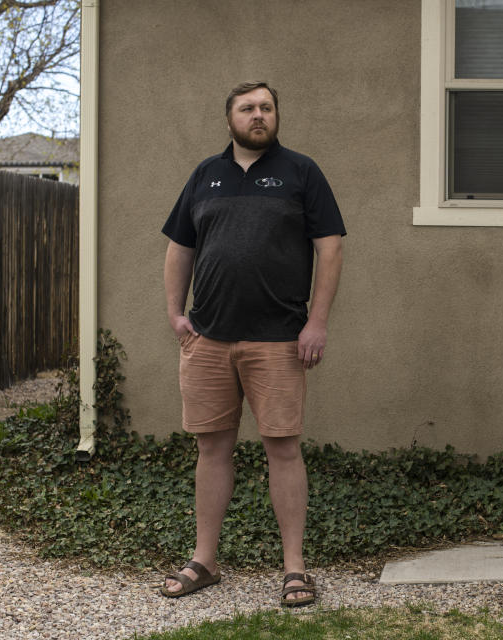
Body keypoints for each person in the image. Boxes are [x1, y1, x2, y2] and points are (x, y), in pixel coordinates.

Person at [159, 81, 345, 606]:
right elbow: (180, 249)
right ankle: (204, 562)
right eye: (247, 108)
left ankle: (294, 570)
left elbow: (329, 250)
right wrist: (176, 314)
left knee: (283, 448)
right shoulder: (205, 175)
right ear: (230, 119)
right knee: (211, 447)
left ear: (276, 115)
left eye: (266, 107)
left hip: (279, 340)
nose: (258, 115)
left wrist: (318, 322)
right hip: (209, 338)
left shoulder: (301, 173)